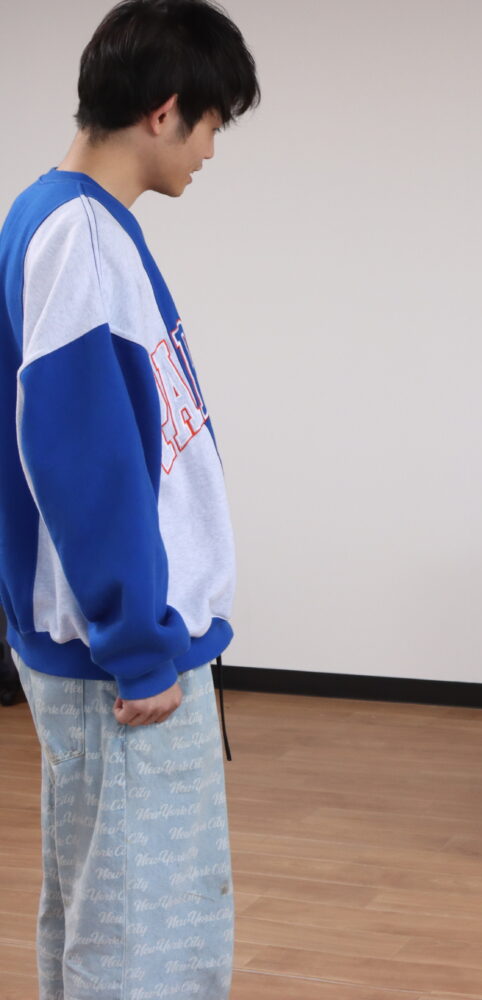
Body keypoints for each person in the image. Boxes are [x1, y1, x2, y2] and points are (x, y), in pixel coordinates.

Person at [0, 1, 258, 996]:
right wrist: (138, 643)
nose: (210, 149)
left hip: (123, 639)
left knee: (110, 911)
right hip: (126, 657)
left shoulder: (67, 221)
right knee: (144, 936)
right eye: (211, 123)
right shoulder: (77, 237)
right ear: (164, 112)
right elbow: (84, 459)